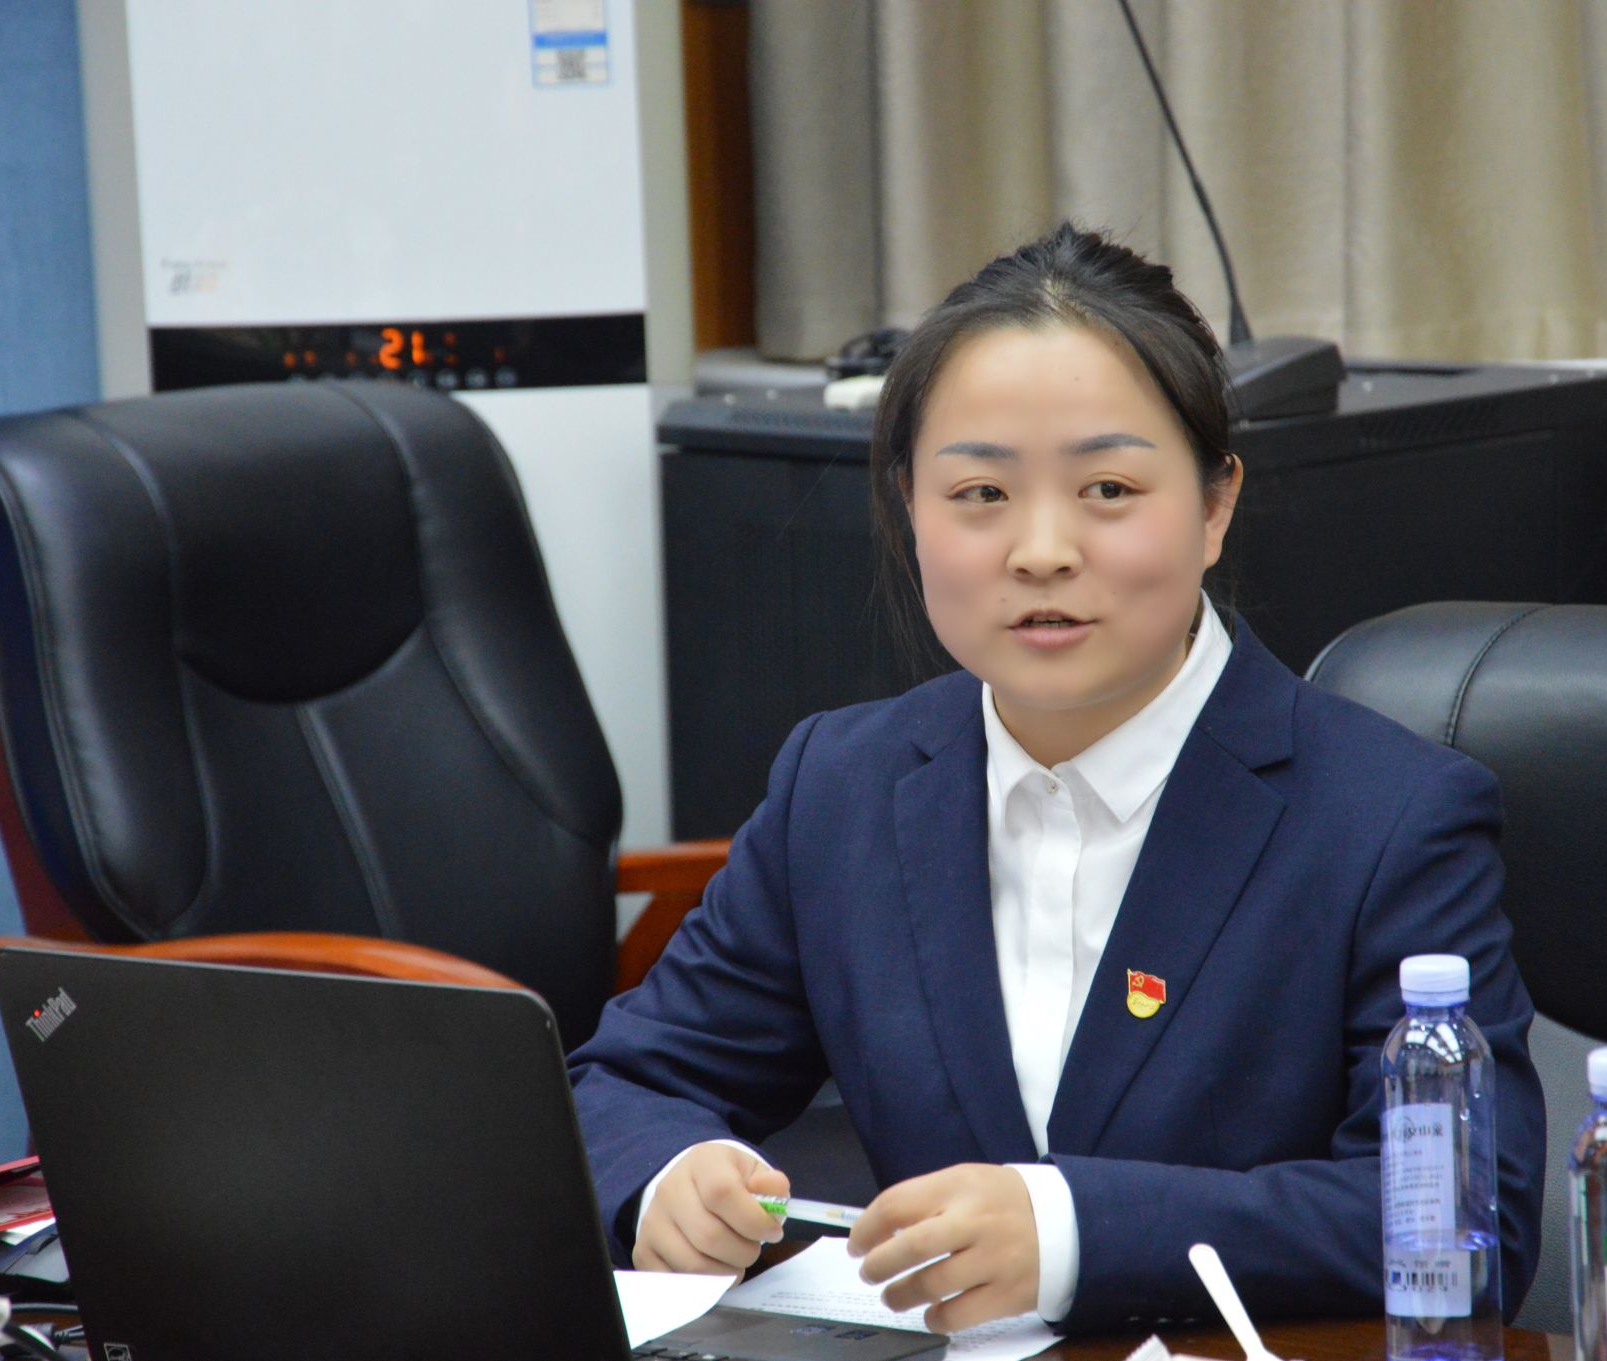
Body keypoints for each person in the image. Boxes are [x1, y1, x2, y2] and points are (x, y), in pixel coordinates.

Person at [568, 223, 1546, 1335]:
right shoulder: (841, 786)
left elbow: (1461, 1225)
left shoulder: (1389, 817)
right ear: (908, 507)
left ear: (1214, 505)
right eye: (980, 493)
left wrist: (1074, 1231)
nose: (1040, 549)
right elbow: (624, 1084)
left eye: (1108, 487)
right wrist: (671, 1177)